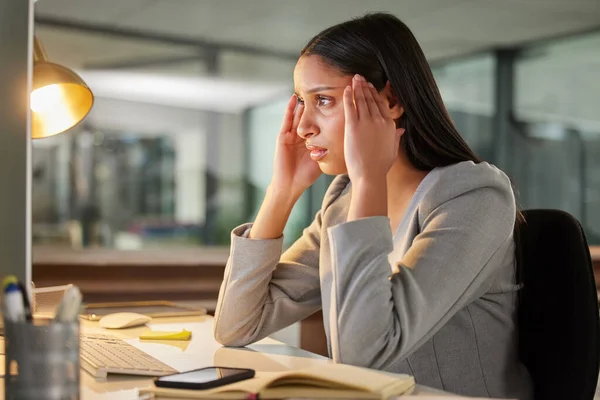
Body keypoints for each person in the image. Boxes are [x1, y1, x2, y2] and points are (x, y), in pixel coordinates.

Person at [213, 12, 533, 399]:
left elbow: (363, 356)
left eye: (324, 100)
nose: (303, 126)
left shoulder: (476, 199)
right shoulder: (342, 201)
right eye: (301, 101)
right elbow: (236, 325)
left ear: (392, 100)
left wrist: (368, 180)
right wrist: (281, 191)